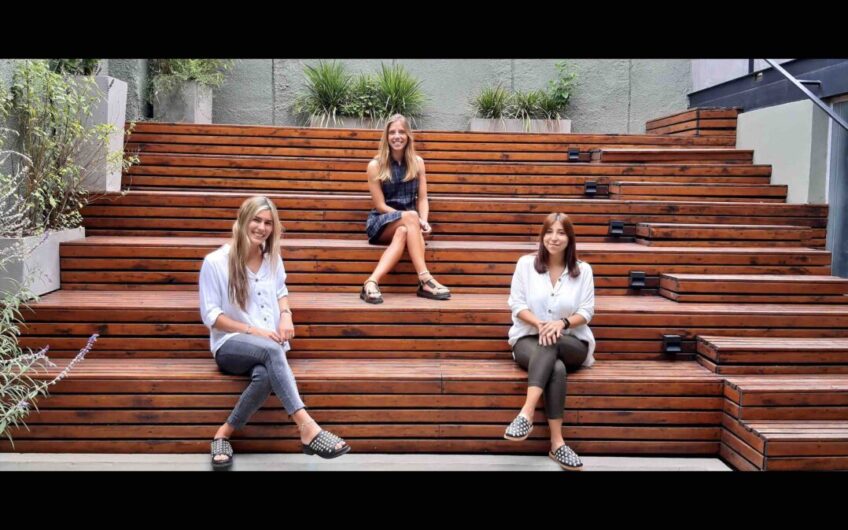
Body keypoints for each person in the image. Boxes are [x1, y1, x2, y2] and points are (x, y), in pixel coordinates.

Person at [199, 195, 350, 469]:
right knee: (272, 351)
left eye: (268, 223)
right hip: (230, 345)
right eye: (256, 220)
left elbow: (281, 291)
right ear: (243, 219)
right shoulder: (215, 262)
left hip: (268, 346)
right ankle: (307, 426)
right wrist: (253, 331)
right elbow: (212, 317)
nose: (262, 227)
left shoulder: (272, 259)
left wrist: (286, 315)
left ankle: (223, 434)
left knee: (266, 373)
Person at [505, 212, 596, 471]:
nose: (554, 238)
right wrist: (539, 324)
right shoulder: (525, 265)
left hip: (572, 343)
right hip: (527, 340)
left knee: (552, 339)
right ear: (542, 236)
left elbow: (587, 311)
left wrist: (562, 323)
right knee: (555, 367)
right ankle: (557, 444)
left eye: (561, 233)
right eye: (549, 232)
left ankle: (526, 412)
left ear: (570, 238)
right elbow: (517, 305)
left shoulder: (583, 270)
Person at [361, 114, 450, 304]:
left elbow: (423, 199)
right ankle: (425, 279)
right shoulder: (375, 165)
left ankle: (371, 282)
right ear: (386, 137)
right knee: (409, 218)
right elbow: (380, 206)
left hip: (409, 224)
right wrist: (413, 219)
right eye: (392, 132)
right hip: (381, 222)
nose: (397, 136)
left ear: (408, 135)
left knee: (403, 230)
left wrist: (423, 221)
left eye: (401, 132)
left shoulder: (417, 163)